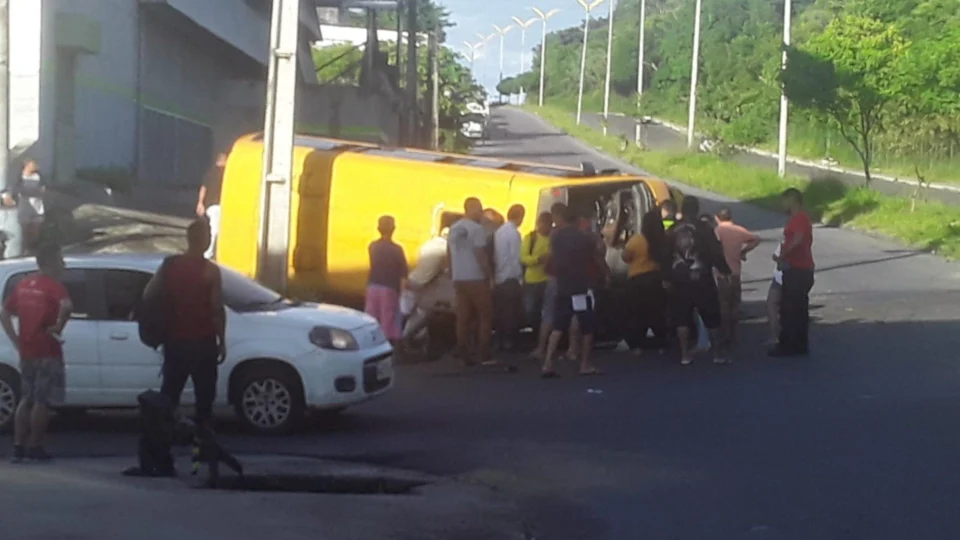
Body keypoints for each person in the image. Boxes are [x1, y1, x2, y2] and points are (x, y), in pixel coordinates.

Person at [143, 219, 226, 430]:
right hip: (203, 341)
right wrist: (222, 340)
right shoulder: (210, 271)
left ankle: (162, 443)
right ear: (205, 241)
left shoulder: (169, 266)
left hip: (175, 341)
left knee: (170, 394)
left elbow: (148, 294)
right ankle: (203, 443)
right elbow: (217, 309)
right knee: (204, 399)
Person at [0, 246, 71, 463]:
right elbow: (67, 306)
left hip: (27, 350)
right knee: (42, 401)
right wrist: (58, 326)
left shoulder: (23, 284)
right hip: (47, 349)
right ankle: (35, 446)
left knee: (26, 398)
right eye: (61, 261)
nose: (64, 266)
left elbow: (4, 310)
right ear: (51, 263)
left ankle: (18, 447)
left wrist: (15, 339)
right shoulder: (54, 286)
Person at [665, 196, 732, 366]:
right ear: (697, 209)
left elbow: (664, 256)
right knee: (712, 316)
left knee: (682, 317)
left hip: (679, 278)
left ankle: (685, 354)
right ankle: (718, 354)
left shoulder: (672, 230)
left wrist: (666, 276)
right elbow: (715, 251)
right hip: (702, 277)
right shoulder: (704, 228)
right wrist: (725, 270)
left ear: (682, 209)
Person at [541, 206, 607, 377]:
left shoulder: (556, 237)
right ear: (578, 220)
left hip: (563, 285)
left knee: (558, 326)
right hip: (580, 287)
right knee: (587, 326)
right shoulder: (585, 239)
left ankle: (548, 362)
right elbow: (597, 255)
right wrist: (606, 273)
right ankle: (584, 364)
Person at [448, 198, 495, 366]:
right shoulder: (476, 229)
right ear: (471, 208)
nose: (481, 213)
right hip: (475, 277)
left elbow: (450, 253)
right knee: (485, 315)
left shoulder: (453, 228)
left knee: (463, 317)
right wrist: (489, 276)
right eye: (479, 209)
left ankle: (462, 351)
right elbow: (480, 254)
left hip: (459, 277)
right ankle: (484, 352)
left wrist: (452, 274)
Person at [771, 188, 815, 357]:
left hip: (798, 269)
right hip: (797, 267)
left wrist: (783, 255)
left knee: (790, 308)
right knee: (798, 308)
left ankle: (789, 345)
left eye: (784, 201)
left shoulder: (799, 219)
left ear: (792, 200)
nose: (782, 204)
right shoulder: (799, 219)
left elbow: (797, 239)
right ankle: (798, 344)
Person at [622, 210, 669, 354]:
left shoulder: (637, 240)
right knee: (657, 312)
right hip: (655, 278)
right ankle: (662, 343)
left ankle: (637, 345)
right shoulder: (663, 240)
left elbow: (625, 257)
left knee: (637, 313)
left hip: (637, 279)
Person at [713, 208, 759, 346]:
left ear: (717, 218)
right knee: (735, 304)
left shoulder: (717, 232)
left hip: (721, 274)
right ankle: (733, 334)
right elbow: (755, 239)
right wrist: (743, 251)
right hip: (736, 273)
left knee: (724, 304)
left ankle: (725, 333)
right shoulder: (739, 230)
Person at [365, 216, 409, 348]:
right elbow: (403, 272)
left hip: (373, 285)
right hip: (389, 287)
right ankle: (386, 348)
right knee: (389, 319)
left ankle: (370, 344)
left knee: (371, 318)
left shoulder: (372, 246)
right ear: (393, 229)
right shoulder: (397, 249)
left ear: (378, 229)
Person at [492, 204, 525, 351]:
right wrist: (520, 277)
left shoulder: (499, 232)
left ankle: (499, 339)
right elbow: (516, 257)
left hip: (499, 276)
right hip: (511, 277)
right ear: (520, 217)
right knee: (511, 312)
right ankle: (509, 341)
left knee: (500, 311)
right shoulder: (514, 234)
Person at [520, 212, 552, 332]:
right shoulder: (530, 238)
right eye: (541, 224)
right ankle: (533, 329)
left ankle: (540, 334)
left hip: (547, 280)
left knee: (545, 310)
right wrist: (538, 260)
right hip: (531, 280)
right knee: (530, 309)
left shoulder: (552, 238)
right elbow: (523, 257)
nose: (544, 227)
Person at [196, 152, 228, 260]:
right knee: (216, 230)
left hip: (211, 205)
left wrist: (200, 203)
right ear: (223, 161)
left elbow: (203, 188)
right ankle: (210, 252)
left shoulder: (210, 173)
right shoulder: (227, 173)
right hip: (219, 205)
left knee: (215, 228)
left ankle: (212, 251)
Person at [17, 160, 46, 253]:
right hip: (24, 208)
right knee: (24, 229)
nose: (36, 166)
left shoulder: (39, 176)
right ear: (27, 165)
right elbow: (18, 190)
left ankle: (33, 248)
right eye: (33, 165)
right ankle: (25, 249)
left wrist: (32, 192)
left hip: (37, 207)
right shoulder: (20, 177)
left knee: (36, 230)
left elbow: (43, 189)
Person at [766, 244, 783, 345]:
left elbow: (775, 256)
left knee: (772, 305)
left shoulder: (786, 242)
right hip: (792, 277)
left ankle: (774, 336)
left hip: (780, 278)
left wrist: (780, 259)